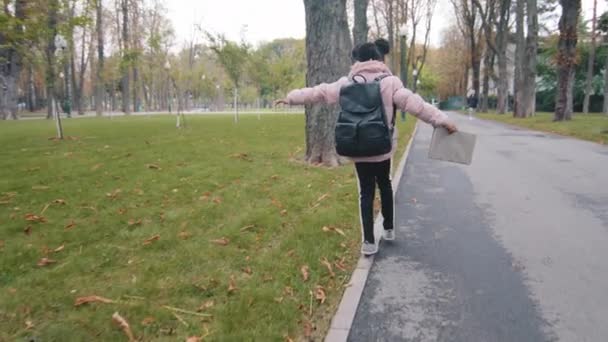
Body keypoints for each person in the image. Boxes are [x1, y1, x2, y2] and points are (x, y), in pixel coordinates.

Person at [275, 43, 457, 256]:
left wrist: (291, 98)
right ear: (379, 60)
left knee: (366, 192)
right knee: (385, 184)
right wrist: (442, 120)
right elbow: (415, 104)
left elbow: (319, 92)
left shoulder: (346, 83)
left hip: (358, 146)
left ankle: (368, 243)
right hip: (382, 146)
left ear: (358, 61)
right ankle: (388, 229)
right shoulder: (390, 83)